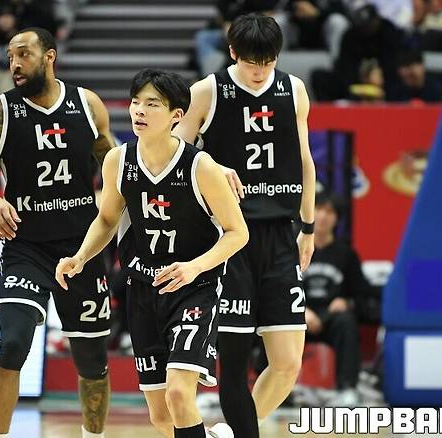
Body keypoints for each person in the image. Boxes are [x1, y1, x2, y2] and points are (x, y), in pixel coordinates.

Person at [56, 68, 247, 438]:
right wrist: (80, 257)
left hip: (194, 289)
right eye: (135, 102)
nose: (139, 110)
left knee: (179, 394)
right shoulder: (118, 161)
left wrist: (194, 268)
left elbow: (238, 232)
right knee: (161, 417)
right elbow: (107, 219)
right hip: (143, 290)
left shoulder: (200, 166)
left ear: (177, 115)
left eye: (152, 104)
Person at [0, 27, 116, 438]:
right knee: (13, 344)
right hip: (26, 246)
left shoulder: (87, 105)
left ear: (50, 56)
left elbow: (116, 167)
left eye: (24, 54)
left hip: (82, 248)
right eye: (10, 57)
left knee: (92, 361)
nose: (14, 64)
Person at [173, 14, 316, 438]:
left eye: (268, 61)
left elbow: (305, 161)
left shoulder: (293, 89)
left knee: (287, 363)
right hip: (230, 238)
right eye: (253, 62)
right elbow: (174, 155)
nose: (260, 70)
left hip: (281, 235)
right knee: (233, 368)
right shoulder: (208, 90)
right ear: (233, 52)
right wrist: (211, 165)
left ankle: (231, 432)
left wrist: (308, 227)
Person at [303, 192, 372, 406]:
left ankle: (347, 388)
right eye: (319, 209)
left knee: (346, 321)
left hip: (332, 318)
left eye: (330, 212)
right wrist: (300, 309)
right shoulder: (293, 249)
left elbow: (362, 294)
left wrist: (347, 302)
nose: (323, 216)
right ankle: (275, 392)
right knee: (276, 321)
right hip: (299, 314)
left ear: (337, 219)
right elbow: (277, 287)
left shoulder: (346, 254)